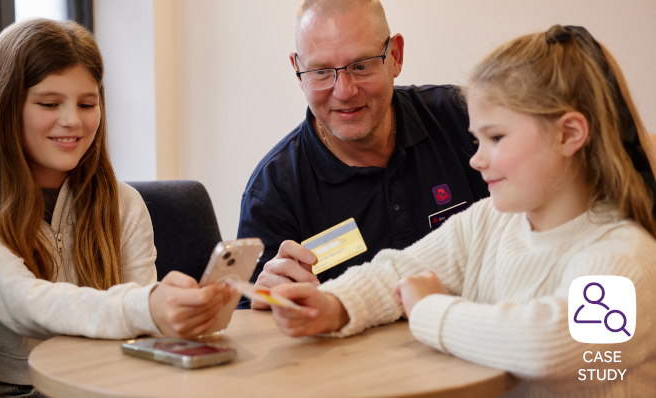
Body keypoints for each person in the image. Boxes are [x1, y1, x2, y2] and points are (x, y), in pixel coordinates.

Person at [268, 25, 656, 396]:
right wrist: (334, 304)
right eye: (476, 139)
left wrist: (429, 308)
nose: (476, 159)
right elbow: (398, 270)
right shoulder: (488, 221)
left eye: (496, 137)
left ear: (569, 135)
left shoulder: (626, 257)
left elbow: (547, 346)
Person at [0, 19, 235, 396]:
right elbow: (19, 301)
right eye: (49, 103)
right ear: (5, 105)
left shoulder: (124, 203)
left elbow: (139, 334)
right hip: (12, 389)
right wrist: (147, 305)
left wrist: (178, 315)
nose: (73, 120)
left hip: (110, 385)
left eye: (87, 103)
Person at [238, 0, 489, 309]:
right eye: (320, 71)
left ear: (395, 56)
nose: (343, 91)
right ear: (298, 72)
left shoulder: (467, 121)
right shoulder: (273, 191)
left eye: (361, 66)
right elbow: (252, 319)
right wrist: (265, 302)